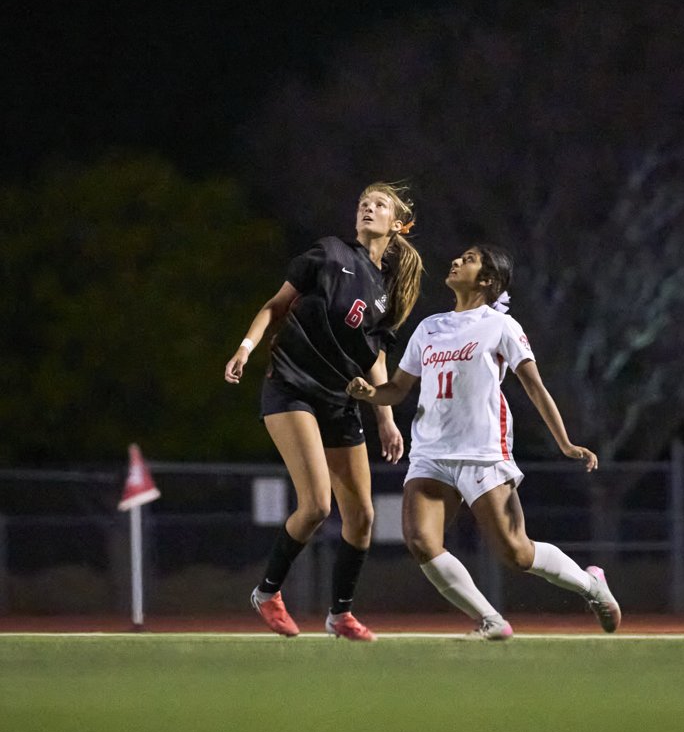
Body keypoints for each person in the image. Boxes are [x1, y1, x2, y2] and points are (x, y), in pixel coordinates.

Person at [347, 243, 621, 638]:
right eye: (459, 256)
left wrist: (565, 442)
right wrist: (370, 394)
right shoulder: (429, 327)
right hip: (431, 454)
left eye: (469, 259)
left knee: (516, 552)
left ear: (488, 280)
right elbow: (397, 390)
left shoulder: (501, 326)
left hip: (482, 452)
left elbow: (535, 387)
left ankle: (591, 585)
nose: (456, 260)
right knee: (421, 540)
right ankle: (490, 620)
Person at [225, 182, 423, 641]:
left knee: (362, 517)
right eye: (363, 203)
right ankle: (268, 592)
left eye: (379, 205)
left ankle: (340, 615)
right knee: (316, 504)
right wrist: (246, 347)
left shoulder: (386, 292)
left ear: (396, 225)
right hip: (291, 388)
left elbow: (374, 358)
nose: (367, 208)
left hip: (339, 400)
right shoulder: (329, 254)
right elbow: (276, 306)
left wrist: (386, 418)